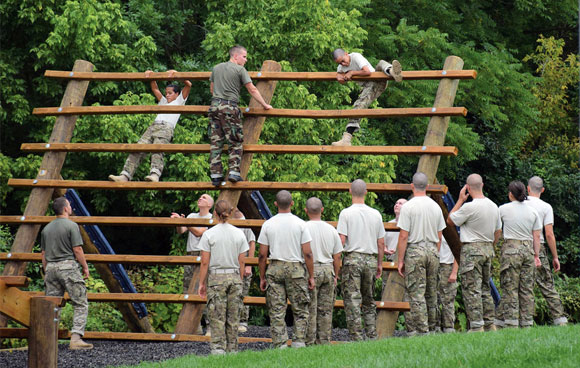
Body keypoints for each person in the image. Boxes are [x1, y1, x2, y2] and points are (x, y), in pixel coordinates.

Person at [109, 70, 191, 183]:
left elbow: (188, 84)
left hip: (165, 127)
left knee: (157, 150)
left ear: (177, 94)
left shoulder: (179, 101)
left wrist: (178, 75)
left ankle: (155, 175)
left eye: (170, 93)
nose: (167, 95)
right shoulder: (163, 101)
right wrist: (151, 76)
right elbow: (155, 89)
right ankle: (125, 175)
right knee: (138, 148)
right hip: (153, 126)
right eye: (166, 93)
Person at [208, 45, 273, 186]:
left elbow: (212, 88)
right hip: (230, 107)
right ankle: (234, 172)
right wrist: (264, 104)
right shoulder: (240, 70)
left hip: (214, 106)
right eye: (244, 56)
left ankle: (215, 175)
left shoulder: (216, 68)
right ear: (235, 56)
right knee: (235, 140)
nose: (246, 60)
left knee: (216, 141)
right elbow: (252, 88)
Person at [258, 190, 315, 348]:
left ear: (275, 204)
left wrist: (262, 277)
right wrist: (311, 276)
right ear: (292, 203)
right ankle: (298, 341)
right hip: (296, 268)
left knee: (276, 309)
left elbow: (262, 255)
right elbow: (308, 253)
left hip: (275, 267)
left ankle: (280, 344)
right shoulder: (301, 224)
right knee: (300, 309)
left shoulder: (268, 224)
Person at [447, 173, 502, 332]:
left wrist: (460, 200)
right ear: (482, 185)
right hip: (487, 249)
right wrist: (491, 245)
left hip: (471, 250)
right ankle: (489, 323)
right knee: (485, 288)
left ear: (468, 188)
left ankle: (477, 326)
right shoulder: (493, 206)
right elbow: (498, 231)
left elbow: (450, 221)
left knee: (472, 289)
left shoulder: (469, 207)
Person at [397, 172, 446, 335]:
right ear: (427, 186)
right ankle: (433, 328)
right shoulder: (435, 207)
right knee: (432, 292)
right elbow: (439, 236)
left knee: (416, 293)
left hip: (415, 250)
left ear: (412, 186)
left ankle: (422, 330)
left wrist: (400, 260)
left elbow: (404, 236)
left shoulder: (408, 207)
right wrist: (435, 252)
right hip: (432, 250)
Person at [197, 200, 249, 355]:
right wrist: (239, 278)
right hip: (234, 277)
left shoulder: (209, 234)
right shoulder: (239, 233)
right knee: (233, 317)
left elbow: (205, 262)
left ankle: (218, 349)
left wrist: (201, 283)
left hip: (216, 278)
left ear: (215, 213)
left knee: (217, 316)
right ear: (231, 212)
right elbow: (242, 261)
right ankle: (232, 349)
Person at [41, 197, 93, 350]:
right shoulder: (71, 226)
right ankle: (76, 338)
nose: (70, 207)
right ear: (65, 209)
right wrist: (85, 267)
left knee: (52, 305)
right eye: (69, 205)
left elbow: (43, 254)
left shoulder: (46, 229)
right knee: (80, 302)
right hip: (68, 267)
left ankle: (48, 340)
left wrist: (46, 271)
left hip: (50, 269)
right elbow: (77, 249)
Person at [337, 179, 386, 341]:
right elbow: (381, 242)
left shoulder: (346, 213)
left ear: (350, 191)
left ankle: (356, 336)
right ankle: (372, 334)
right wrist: (379, 263)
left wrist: (336, 263)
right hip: (371, 260)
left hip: (352, 260)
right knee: (369, 299)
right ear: (366, 192)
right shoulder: (376, 214)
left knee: (352, 299)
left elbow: (341, 240)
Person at [331, 48, 403, 146]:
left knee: (381, 63)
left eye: (343, 61)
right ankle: (346, 139)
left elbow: (367, 72)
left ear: (347, 54)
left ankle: (392, 71)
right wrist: (339, 77)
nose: (343, 64)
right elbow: (341, 76)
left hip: (376, 81)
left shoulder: (355, 57)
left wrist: (352, 72)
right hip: (369, 86)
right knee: (359, 105)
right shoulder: (341, 68)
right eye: (340, 63)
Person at [498, 181, 542, 328]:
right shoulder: (533, 212)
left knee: (510, 287)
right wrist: (536, 256)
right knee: (527, 289)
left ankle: (511, 322)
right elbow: (536, 236)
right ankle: (527, 323)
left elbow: (498, 230)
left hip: (511, 250)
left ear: (511, 194)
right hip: (528, 250)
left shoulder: (503, 209)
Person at [525, 176, 568, 326]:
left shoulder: (519, 204)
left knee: (521, 285)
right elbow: (549, 234)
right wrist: (555, 257)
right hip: (540, 247)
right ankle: (559, 319)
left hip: (520, 247)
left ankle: (522, 321)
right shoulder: (546, 207)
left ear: (527, 188)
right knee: (547, 284)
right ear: (542, 190)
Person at [170, 193, 214, 335]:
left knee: (205, 289)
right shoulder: (191, 216)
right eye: (200, 197)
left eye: (204, 198)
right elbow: (181, 231)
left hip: (204, 255)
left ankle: (210, 326)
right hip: (190, 254)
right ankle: (195, 327)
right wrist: (179, 222)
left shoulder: (211, 218)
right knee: (187, 288)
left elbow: (199, 232)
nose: (200, 199)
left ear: (210, 205)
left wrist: (186, 222)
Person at [304, 197, 343, 345]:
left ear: (306, 211)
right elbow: (337, 255)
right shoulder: (331, 229)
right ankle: (324, 341)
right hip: (328, 269)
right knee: (326, 310)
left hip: (310, 269)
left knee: (310, 309)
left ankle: (309, 341)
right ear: (322, 210)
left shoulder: (302, 227)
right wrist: (336, 274)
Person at [232, 208, 256, 333]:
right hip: (231, 261)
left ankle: (242, 321)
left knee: (243, 291)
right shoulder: (227, 221)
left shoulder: (246, 221)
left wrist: (249, 265)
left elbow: (252, 243)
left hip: (244, 259)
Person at [435, 237, 458, 333]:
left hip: (447, 265)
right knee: (433, 297)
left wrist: (454, 272)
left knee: (448, 298)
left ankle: (448, 327)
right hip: (434, 264)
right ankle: (435, 326)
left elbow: (457, 252)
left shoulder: (451, 231)